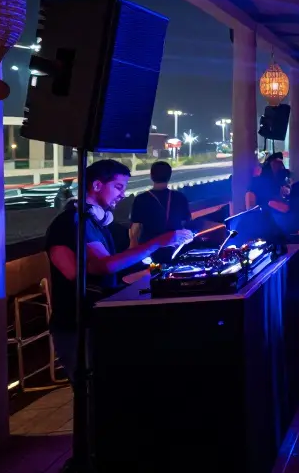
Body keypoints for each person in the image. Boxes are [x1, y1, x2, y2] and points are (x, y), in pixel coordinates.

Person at [45, 160, 193, 384]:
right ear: (97, 185)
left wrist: (152, 271)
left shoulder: (97, 223)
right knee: (92, 392)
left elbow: (113, 267)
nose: (123, 195)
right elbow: (104, 266)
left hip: (98, 319)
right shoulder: (72, 222)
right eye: (118, 187)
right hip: (77, 325)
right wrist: (157, 242)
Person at [129, 161, 192, 265]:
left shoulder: (141, 198)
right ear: (169, 176)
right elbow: (185, 222)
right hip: (173, 246)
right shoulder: (179, 197)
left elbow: (135, 227)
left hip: (149, 248)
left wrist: (133, 248)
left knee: (152, 273)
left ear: (151, 176)